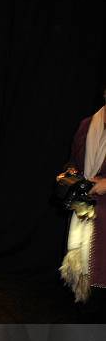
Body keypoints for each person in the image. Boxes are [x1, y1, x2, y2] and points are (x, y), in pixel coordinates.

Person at [60, 89, 106, 313]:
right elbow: (73, 163)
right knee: (89, 298)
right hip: (86, 213)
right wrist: (69, 177)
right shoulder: (88, 125)